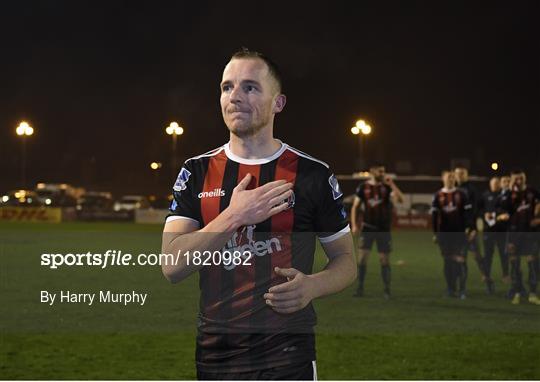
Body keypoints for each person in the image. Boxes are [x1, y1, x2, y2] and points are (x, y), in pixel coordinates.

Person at [161, 48, 356, 380]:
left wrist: (313, 286)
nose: (235, 97)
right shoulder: (197, 171)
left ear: (278, 102)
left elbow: (346, 260)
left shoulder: (312, 175)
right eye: (227, 87)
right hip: (215, 349)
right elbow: (172, 266)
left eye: (250, 87)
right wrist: (235, 215)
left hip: (287, 351)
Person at [350, 163, 404, 298]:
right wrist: (354, 225)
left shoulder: (386, 187)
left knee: (384, 260)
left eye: (383, 172)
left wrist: (392, 184)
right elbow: (355, 206)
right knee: (362, 260)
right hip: (367, 228)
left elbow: (401, 200)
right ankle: (360, 288)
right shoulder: (363, 187)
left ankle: (387, 289)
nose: (382, 174)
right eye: (380, 171)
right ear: (372, 171)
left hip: (383, 230)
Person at [496, 169, 540, 305]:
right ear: (512, 180)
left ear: (525, 178)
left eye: (521, 178)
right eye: (516, 179)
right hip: (513, 234)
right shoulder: (507, 195)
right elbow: (499, 210)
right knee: (514, 264)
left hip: (530, 233)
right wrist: (501, 215)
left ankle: (533, 293)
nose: (519, 181)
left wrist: (538, 218)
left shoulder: (532, 192)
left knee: (532, 263)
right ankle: (517, 292)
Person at [431, 170, 475, 299]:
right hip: (444, 234)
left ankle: (462, 290)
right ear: (442, 178)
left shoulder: (462, 194)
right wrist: (435, 233)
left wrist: (470, 228)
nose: (450, 179)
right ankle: (450, 289)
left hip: (459, 233)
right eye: (448, 177)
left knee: (460, 260)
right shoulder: (438, 195)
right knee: (448, 261)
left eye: (452, 177)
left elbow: (468, 214)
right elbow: (434, 216)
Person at [454, 166, 494, 293]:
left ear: (466, 175)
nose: (460, 176)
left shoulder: (472, 190)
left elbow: (476, 211)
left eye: (462, 173)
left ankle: (488, 281)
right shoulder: (453, 189)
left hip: (470, 229)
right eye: (458, 174)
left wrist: (474, 229)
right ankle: (462, 287)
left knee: (477, 256)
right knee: (460, 258)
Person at [478, 177, 509, 288]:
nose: (495, 185)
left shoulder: (504, 195)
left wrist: (498, 215)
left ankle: (505, 274)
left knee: (504, 254)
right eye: (493, 183)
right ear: (490, 184)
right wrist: (484, 214)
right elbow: (479, 209)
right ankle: (486, 275)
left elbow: (506, 210)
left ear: (500, 184)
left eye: (497, 183)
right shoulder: (485, 195)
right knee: (488, 255)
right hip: (488, 230)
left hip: (501, 230)